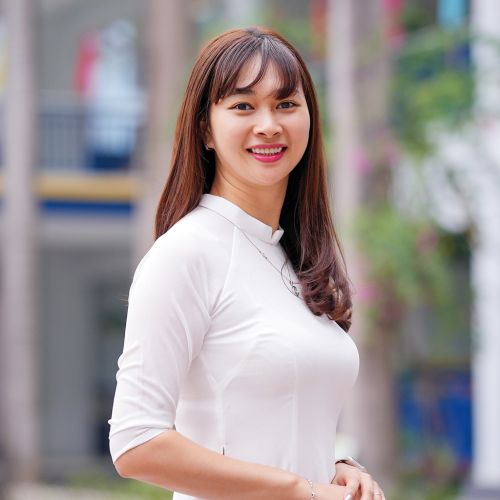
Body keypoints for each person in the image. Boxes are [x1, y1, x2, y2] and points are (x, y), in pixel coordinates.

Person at [108, 26, 386, 500]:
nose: (269, 125)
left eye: (286, 104)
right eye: (243, 106)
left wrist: (337, 467)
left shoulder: (292, 257)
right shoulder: (186, 253)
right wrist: (299, 489)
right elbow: (136, 442)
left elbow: (280, 421)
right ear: (205, 129)